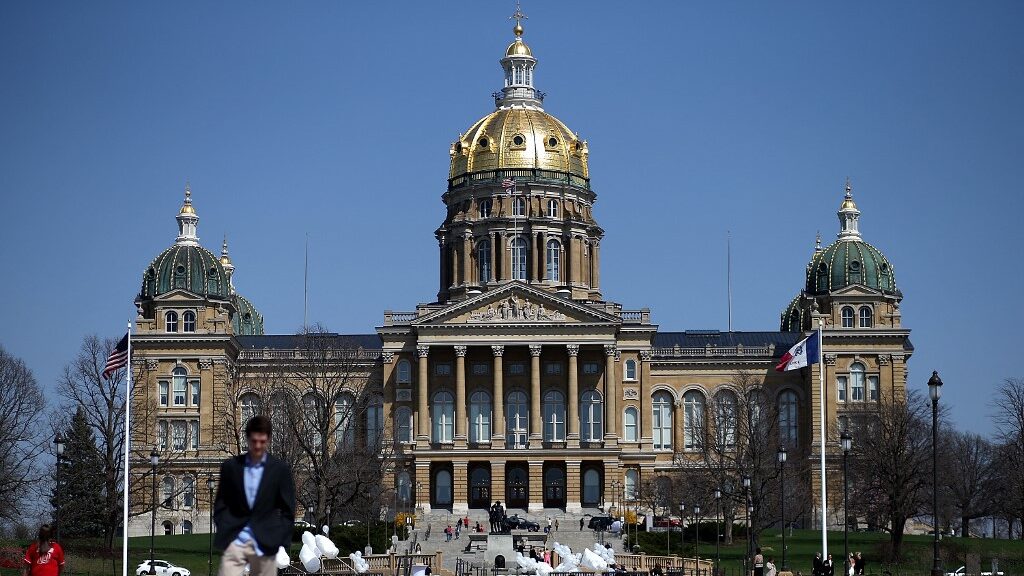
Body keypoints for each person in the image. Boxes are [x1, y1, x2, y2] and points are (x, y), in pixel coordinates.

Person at [214, 415, 296, 576]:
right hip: (236, 540)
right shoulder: (231, 467)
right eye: (254, 441)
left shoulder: (280, 470)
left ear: (269, 440)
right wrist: (224, 527)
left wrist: (280, 540)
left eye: (262, 442)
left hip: (265, 542)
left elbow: (288, 509)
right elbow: (221, 503)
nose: (258, 446)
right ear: (248, 439)